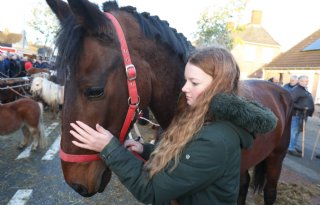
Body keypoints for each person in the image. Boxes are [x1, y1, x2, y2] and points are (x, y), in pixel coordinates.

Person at [69, 46, 277, 205]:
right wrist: (146, 149)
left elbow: (152, 191)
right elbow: (186, 158)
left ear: (218, 86)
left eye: (194, 83)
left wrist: (110, 150)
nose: (185, 88)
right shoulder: (202, 115)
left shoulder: (217, 139)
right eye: (186, 80)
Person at [288, 75, 314, 157]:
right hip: (296, 115)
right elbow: (291, 102)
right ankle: (290, 148)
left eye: (306, 81)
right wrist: (303, 107)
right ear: (299, 81)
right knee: (294, 131)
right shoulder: (297, 90)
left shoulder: (304, 89)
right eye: (303, 81)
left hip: (302, 115)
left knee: (297, 131)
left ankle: (293, 146)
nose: (305, 83)